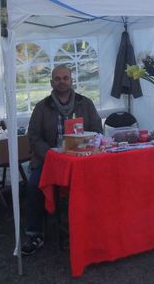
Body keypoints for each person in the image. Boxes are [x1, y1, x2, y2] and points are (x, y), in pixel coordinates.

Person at [22, 64, 102, 255]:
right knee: (34, 186)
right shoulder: (42, 107)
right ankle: (35, 234)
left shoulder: (86, 103)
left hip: (82, 160)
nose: (62, 82)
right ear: (51, 82)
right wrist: (50, 154)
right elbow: (33, 136)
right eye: (57, 79)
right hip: (49, 160)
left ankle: (94, 227)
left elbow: (98, 130)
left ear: (71, 80)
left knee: (101, 181)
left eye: (65, 78)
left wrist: (86, 144)